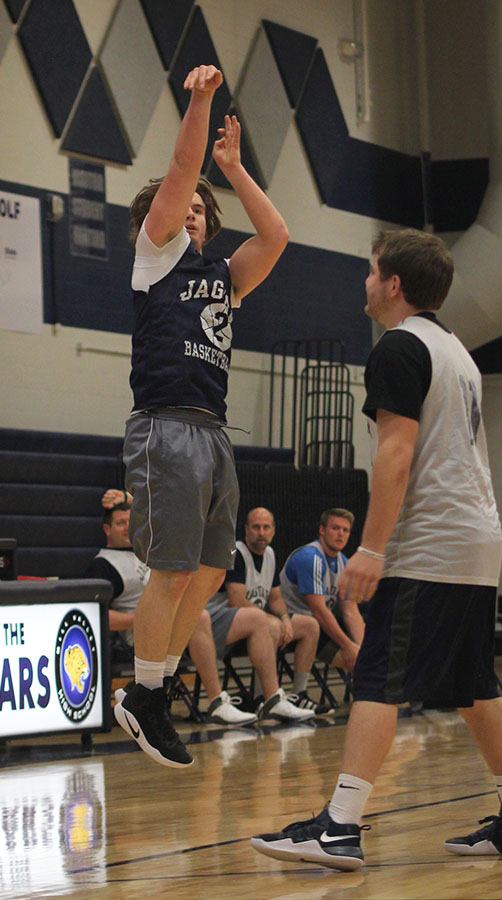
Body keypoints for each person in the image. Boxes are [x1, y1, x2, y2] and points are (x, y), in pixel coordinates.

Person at [251, 228, 502, 869]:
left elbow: (395, 455)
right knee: (474, 685)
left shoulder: (398, 346)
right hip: (477, 541)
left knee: (378, 678)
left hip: (431, 545)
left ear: (393, 284)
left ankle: (339, 825)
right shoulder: (457, 352)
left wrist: (371, 548)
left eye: (370, 272)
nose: (364, 283)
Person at [113, 64, 288, 768]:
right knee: (175, 569)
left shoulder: (224, 276)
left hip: (213, 432)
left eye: (196, 208)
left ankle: (153, 689)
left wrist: (235, 168)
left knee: (213, 573)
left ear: (211, 224)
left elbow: (275, 236)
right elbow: (180, 168)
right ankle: (144, 691)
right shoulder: (156, 258)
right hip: (166, 424)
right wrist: (202, 101)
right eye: (176, 205)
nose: (186, 210)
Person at [84, 490, 257, 727]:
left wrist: (131, 497)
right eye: (119, 523)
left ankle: (266, 698)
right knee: (199, 618)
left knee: (238, 618)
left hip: (174, 623)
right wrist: (139, 618)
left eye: (129, 522)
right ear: (107, 529)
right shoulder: (103, 565)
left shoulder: (148, 552)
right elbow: (96, 616)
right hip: (139, 636)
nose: (126, 527)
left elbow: (162, 515)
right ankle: (215, 701)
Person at [190, 507, 323, 717]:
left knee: (309, 625)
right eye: (256, 527)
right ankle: (265, 699)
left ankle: (299, 693)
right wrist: (272, 619)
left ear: (273, 531)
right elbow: (237, 601)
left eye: (266, 527)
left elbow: (276, 598)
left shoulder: (270, 554)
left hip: (255, 623)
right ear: (246, 529)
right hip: (221, 620)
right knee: (262, 620)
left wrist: (286, 619)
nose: (261, 532)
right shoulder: (236, 553)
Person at [279, 509, 364, 674]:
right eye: (335, 528)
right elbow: (319, 611)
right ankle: (300, 694)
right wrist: (347, 646)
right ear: (322, 530)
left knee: (367, 655)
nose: (340, 534)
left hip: (320, 625)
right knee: (358, 662)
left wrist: (362, 648)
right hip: (292, 623)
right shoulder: (310, 558)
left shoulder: (344, 564)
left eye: (345, 530)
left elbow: (350, 611)